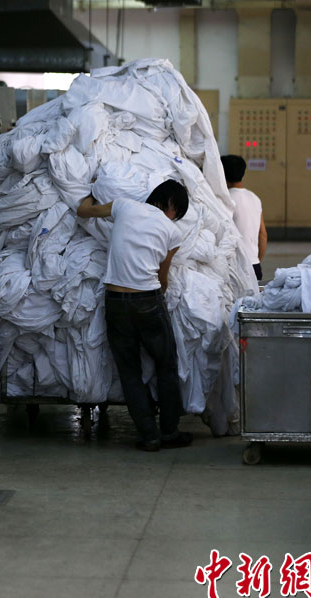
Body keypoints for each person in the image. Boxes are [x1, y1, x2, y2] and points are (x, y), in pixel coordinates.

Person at [77, 180, 191, 452]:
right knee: (166, 366)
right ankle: (169, 432)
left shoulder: (124, 206)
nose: (174, 217)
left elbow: (84, 212)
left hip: (115, 301)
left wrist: (90, 191)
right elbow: (163, 278)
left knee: (129, 372)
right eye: (177, 212)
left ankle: (149, 436)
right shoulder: (173, 232)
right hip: (148, 300)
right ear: (172, 205)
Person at [221, 155, 267, 281]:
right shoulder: (254, 198)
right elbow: (263, 235)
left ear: (221, 173)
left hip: (234, 266)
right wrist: (256, 260)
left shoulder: (225, 200)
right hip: (254, 265)